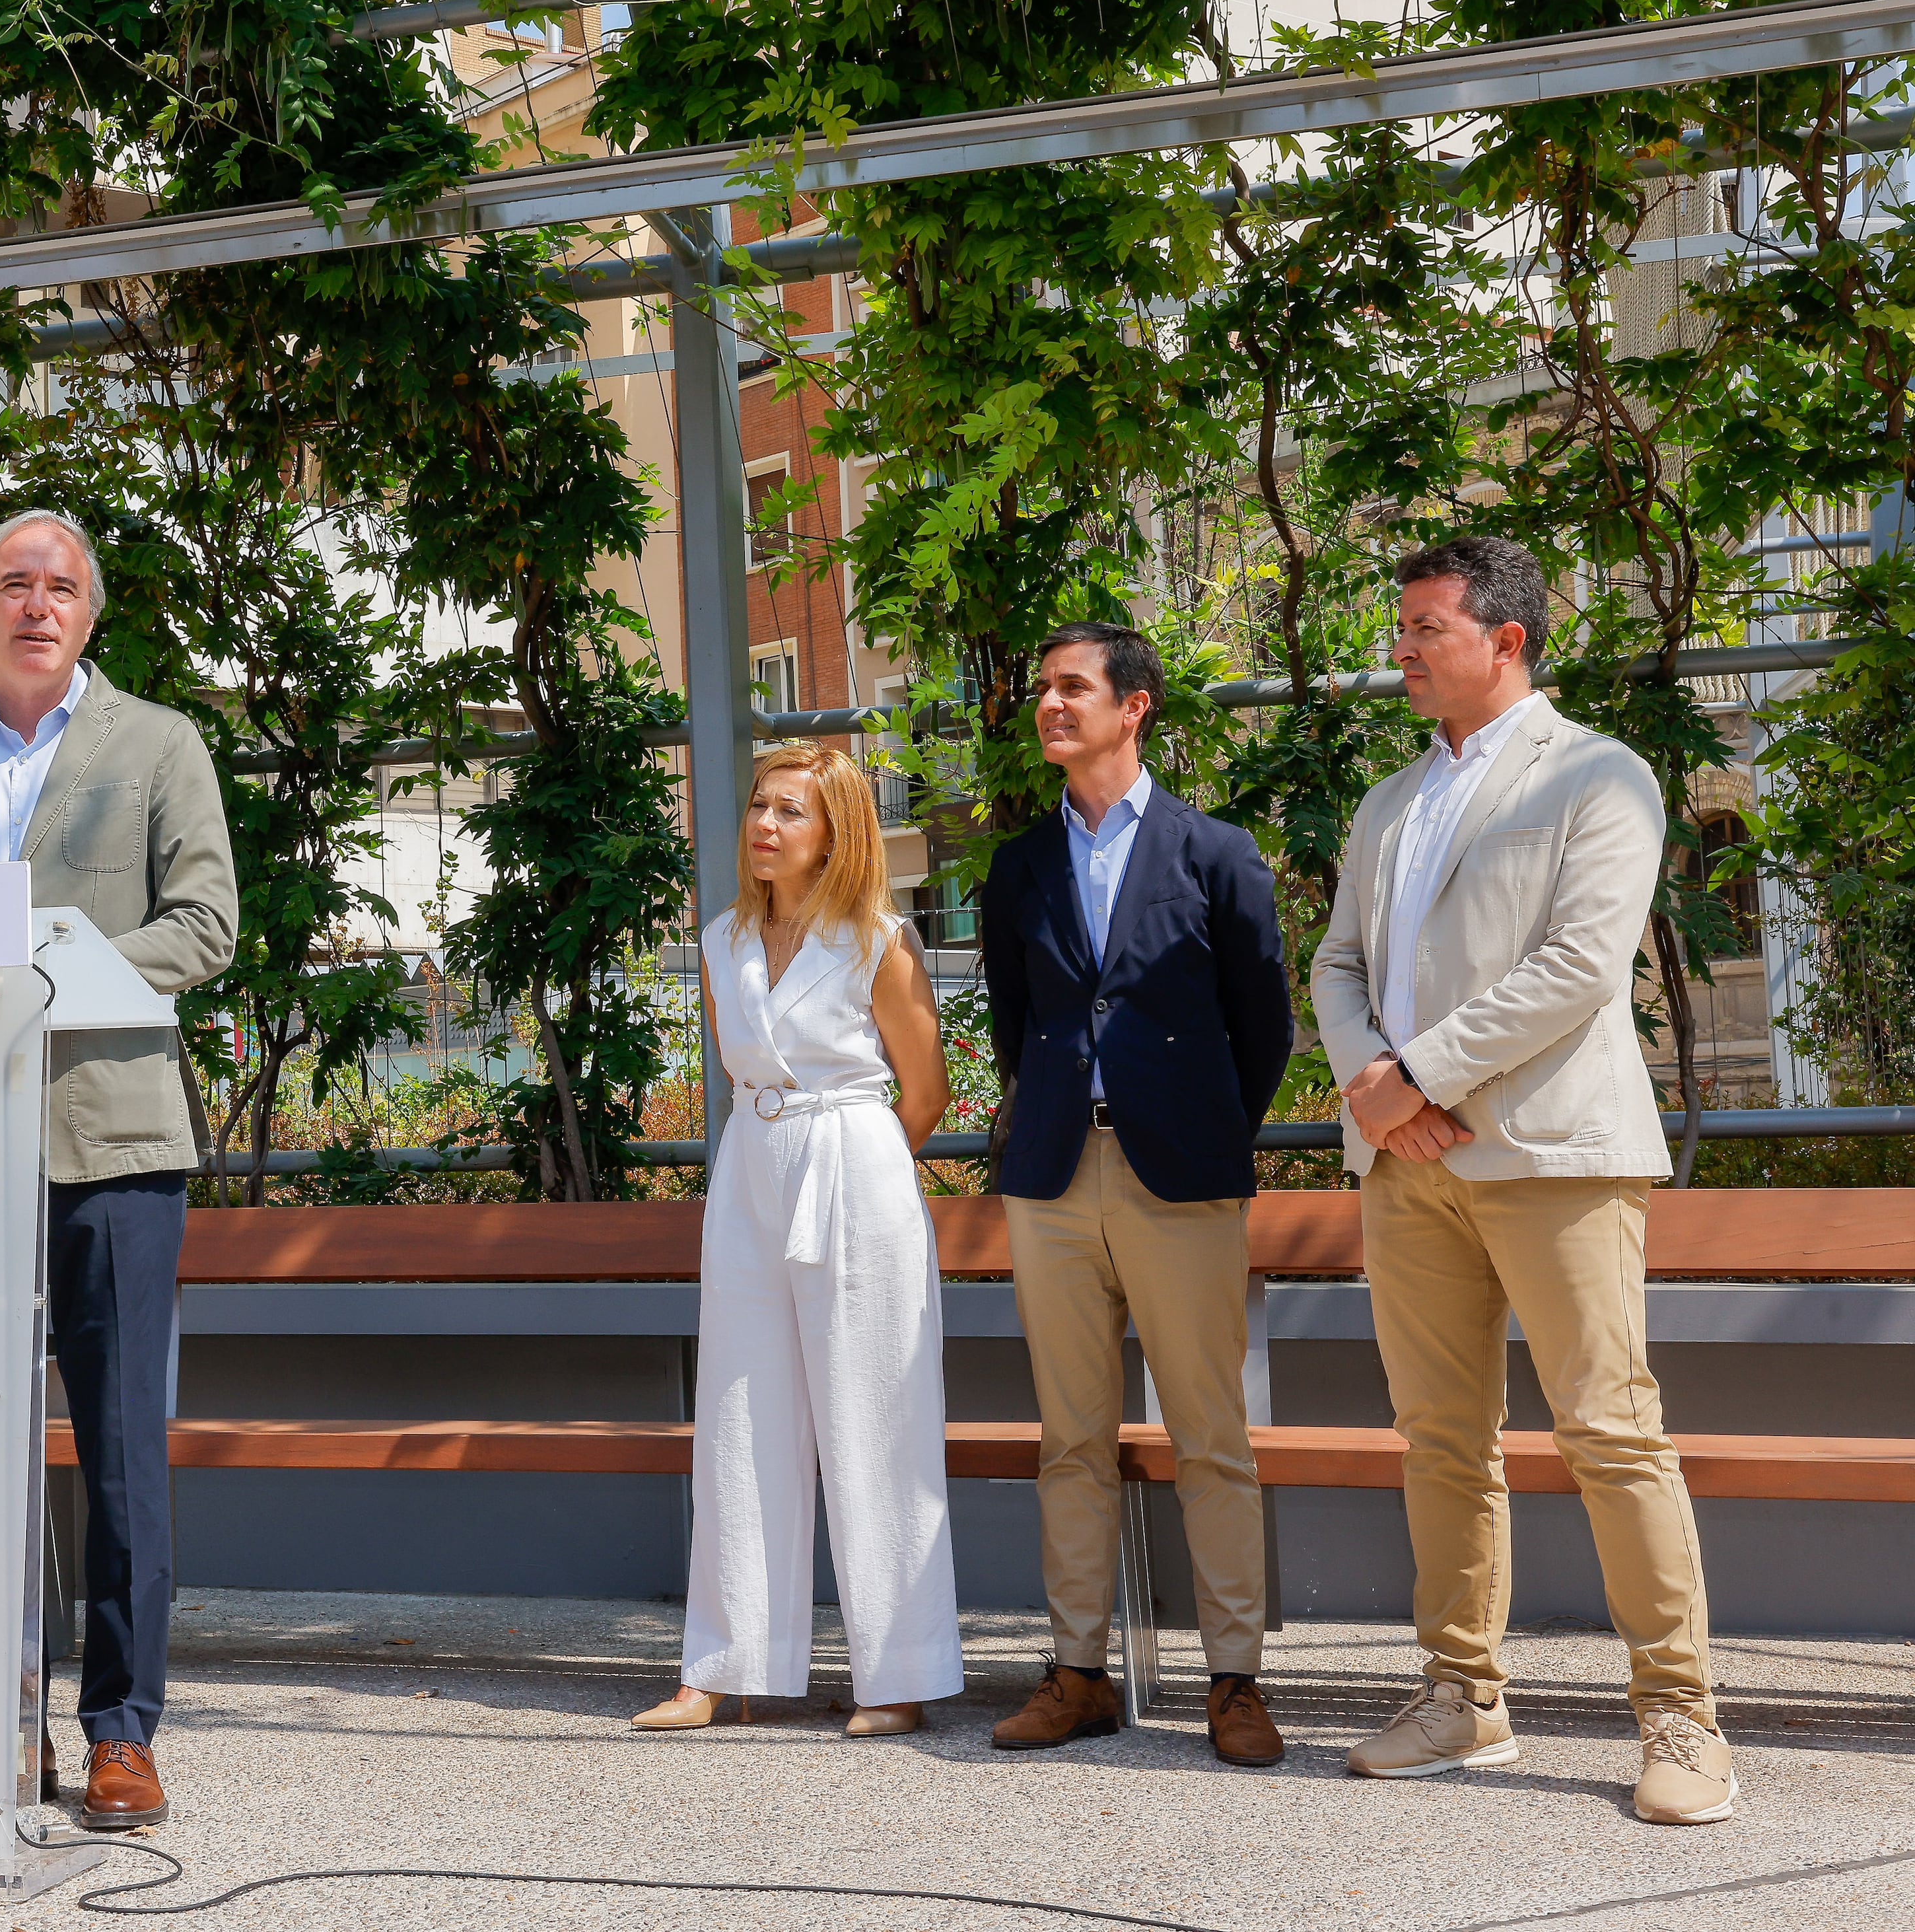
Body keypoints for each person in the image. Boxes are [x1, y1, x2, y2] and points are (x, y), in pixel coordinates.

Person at [1313, 535, 1733, 1825]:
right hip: (1406, 1165)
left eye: (1425, 626)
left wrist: (1417, 1078)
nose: (1402, 647)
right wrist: (1371, 1087)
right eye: (1401, 626)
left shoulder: (1599, 774)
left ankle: (1683, 1715)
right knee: (1439, 1437)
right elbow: (1334, 965)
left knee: (1609, 1429)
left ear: (1504, 638)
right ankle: (1460, 1696)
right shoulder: (1389, 800)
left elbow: (1577, 966)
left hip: (1551, 1152)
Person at [0, 508, 236, 1831]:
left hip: (109, 1140)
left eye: (59, 583)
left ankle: (120, 1728)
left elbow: (204, 923)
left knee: (120, 1448)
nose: (36, 601)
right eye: (12, 582)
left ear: (90, 611)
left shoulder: (158, 744)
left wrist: (41, 971)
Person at [977, 622, 1296, 1768]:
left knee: (1210, 1432)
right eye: (1044, 687)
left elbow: (1265, 1027)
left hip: (1180, 1177)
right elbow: (1020, 1027)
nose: (1051, 703)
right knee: (1071, 1435)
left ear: (1135, 705)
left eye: (1074, 686)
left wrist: (1202, 1126)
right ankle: (1077, 1672)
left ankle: (1235, 1680)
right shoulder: (1017, 867)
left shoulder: (1218, 853)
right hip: (1055, 1177)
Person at [632, 744, 965, 1737]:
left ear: (836, 834)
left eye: (791, 811)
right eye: (760, 807)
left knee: (875, 1420)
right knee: (737, 1414)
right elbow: (742, 1063)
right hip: (751, 1161)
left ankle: (894, 1676)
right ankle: (720, 1667)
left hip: (851, 1156)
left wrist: (862, 1169)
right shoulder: (722, 938)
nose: (765, 824)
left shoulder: (878, 939)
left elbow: (927, 1089)